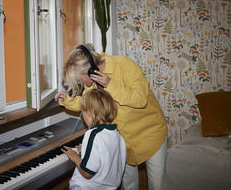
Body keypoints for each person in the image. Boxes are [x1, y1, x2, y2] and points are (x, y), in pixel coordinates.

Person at [56, 44, 168, 190]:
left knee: (157, 186)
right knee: (128, 186)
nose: (80, 83)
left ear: (90, 70)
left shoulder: (124, 64)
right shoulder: (92, 83)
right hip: (122, 143)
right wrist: (68, 102)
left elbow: (141, 100)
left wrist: (110, 85)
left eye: (80, 79)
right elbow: (88, 104)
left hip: (151, 136)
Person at [61, 88, 126, 190]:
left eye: (83, 112)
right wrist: (87, 150)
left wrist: (75, 157)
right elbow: (106, 153)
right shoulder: (116, 133)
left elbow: (87, 173)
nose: (82, 116)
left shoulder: (92, 134)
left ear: (89, 113)